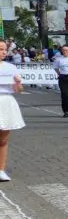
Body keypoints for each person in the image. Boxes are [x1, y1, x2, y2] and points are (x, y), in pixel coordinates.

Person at [0, 40, 25, 182]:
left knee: (3, 139)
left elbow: (18, 90)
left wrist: (18, 83)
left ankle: (1, 170)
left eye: (4, 49)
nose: (3, 52)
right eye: (0, 49)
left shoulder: (11, 68)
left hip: (6, 102)